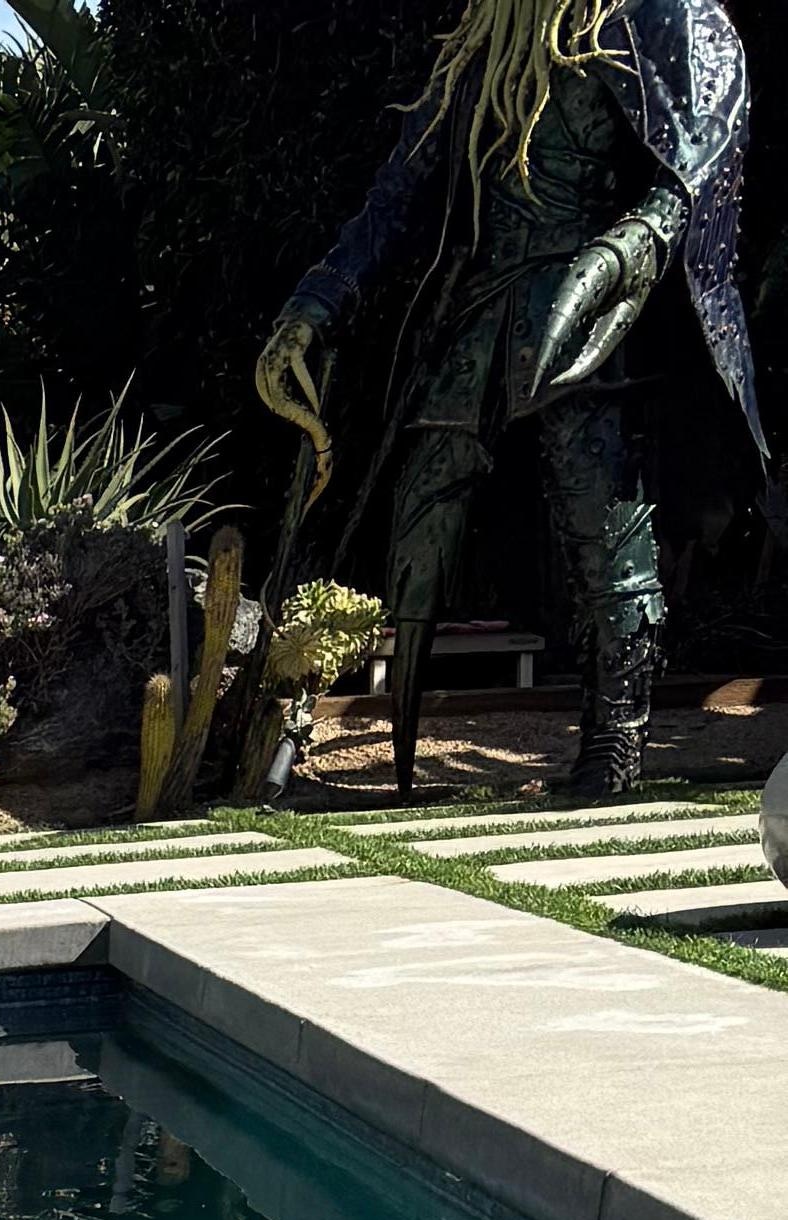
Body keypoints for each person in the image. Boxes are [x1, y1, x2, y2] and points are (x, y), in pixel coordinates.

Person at [255, 0, 760, 797]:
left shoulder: (646, 21)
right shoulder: (478, 51)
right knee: (421, 518)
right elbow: (396, 194)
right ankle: (400, 756)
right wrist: (315, 302)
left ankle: (613, 748)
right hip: (480, 312)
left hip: (588, 314)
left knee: (604, 534)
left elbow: (689, 172)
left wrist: (622, 251)